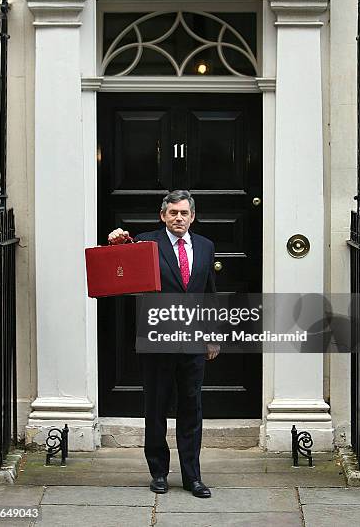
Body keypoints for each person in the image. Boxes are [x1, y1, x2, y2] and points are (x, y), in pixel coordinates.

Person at [108, 190, 219, 498]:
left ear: (192, 216)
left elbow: (209, 292)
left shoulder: (206, 246)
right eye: (173, 213)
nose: (178, 218)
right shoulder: (146, 243)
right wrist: (117, 241)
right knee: (155, 408)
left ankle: (192, 477)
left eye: (184, 213)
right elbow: (121, 267)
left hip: (194, 341)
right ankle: (158, 472)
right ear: (163, 216)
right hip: (157, 339)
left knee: (191, 409)